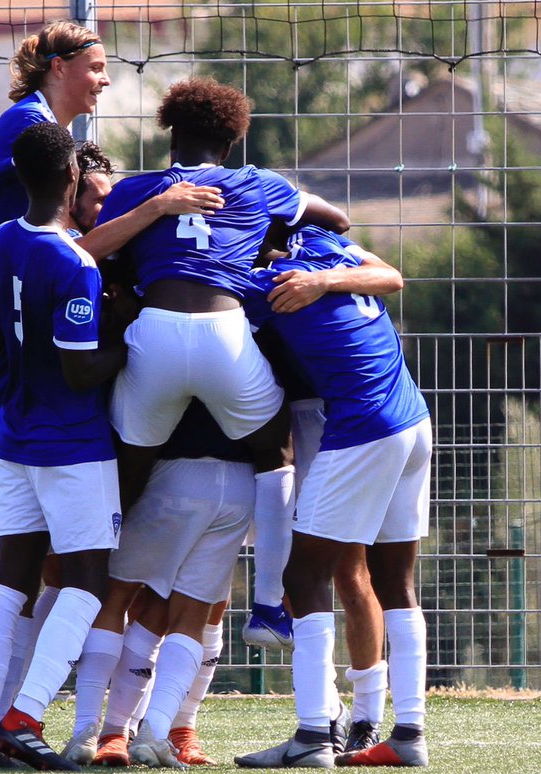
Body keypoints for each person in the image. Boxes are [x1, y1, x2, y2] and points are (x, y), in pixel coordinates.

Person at [0, 21, 222, 656]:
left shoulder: (50, 132)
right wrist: (156, 208)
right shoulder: (30, 125)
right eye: (96, 65)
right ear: (57, 67)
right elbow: (60, 240)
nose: (105, 79)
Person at [93, 76, 350, 655]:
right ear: (233, 142)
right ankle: (266, 608)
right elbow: (337, 220)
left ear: (170, 133)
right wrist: (273, 239)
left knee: (128, 470)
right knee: (274, 449)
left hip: (151, 334)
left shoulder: (136, 190)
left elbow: (95, 248)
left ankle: (81, 583)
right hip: (224, 333)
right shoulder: (260, 185)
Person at [0, 122, 128, 772]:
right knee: (87, 579)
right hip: (73, 445)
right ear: (71, 179)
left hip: (14, 437)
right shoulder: (75, 261)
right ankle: (25, 716)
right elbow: (82, 367)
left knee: (12, 582)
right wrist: (129, 336)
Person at [233, 224, 431, 769]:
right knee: (394, 578)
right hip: (413, 418)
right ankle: (408, 734)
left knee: (303, 577)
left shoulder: (265, 282)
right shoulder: (328, 246)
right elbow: (390, 275)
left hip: (363, 427)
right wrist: (326, 280)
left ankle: (313, 735)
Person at [61, 400, 253, 768]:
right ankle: (146, 732)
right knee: (186, 610)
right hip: (237, 476)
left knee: (122, 596)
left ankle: (109, 731)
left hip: (170, 470)